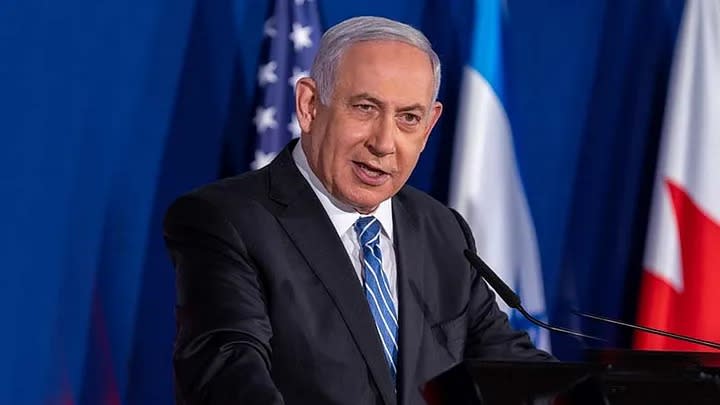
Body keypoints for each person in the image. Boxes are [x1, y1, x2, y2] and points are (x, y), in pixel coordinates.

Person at [163, 15, 552, 405]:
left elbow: (508, 368)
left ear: (430, 125)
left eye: (408, 118)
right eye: (365, 108)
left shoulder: (442, 230)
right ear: (310, 105)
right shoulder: (227, 221)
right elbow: (229, 380)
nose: (384, 143)